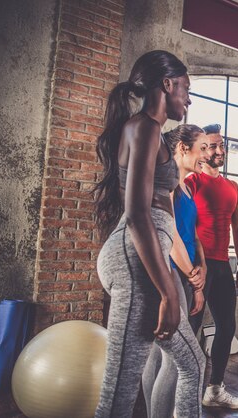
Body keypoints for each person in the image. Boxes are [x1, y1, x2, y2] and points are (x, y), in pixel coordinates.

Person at [93, 50, 205, 417]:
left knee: (193, 364)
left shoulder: (151, 131)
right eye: (185, 89)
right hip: (134, 259)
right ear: (167, 84)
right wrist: (169, 291)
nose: (188, 99)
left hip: (145, 253)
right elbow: (139, 214)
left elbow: (159, 216)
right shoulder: (144, 127)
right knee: (118, 397)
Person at [142, 124, 209, 418]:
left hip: (181, 272)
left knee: (159, 356)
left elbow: (190, 233)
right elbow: (167, 235)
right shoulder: (166, 182)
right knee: (178, 360)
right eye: (202, 148)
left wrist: (200, 267)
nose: (207, 155)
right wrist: (193, 281)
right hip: (165, 274)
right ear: (182, 147)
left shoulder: (184, 185)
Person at [185, 123, 238, 409]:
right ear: (201, 149)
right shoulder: (191, 181)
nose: (218, 150)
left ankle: (214, 389)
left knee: (227, 326)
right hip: (196, 265)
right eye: (211, 146)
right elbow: (185, 224)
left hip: (223, 265)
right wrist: (195, 264)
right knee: (191, 328)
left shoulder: (232, 186)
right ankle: (185, 392)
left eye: (221, 145)